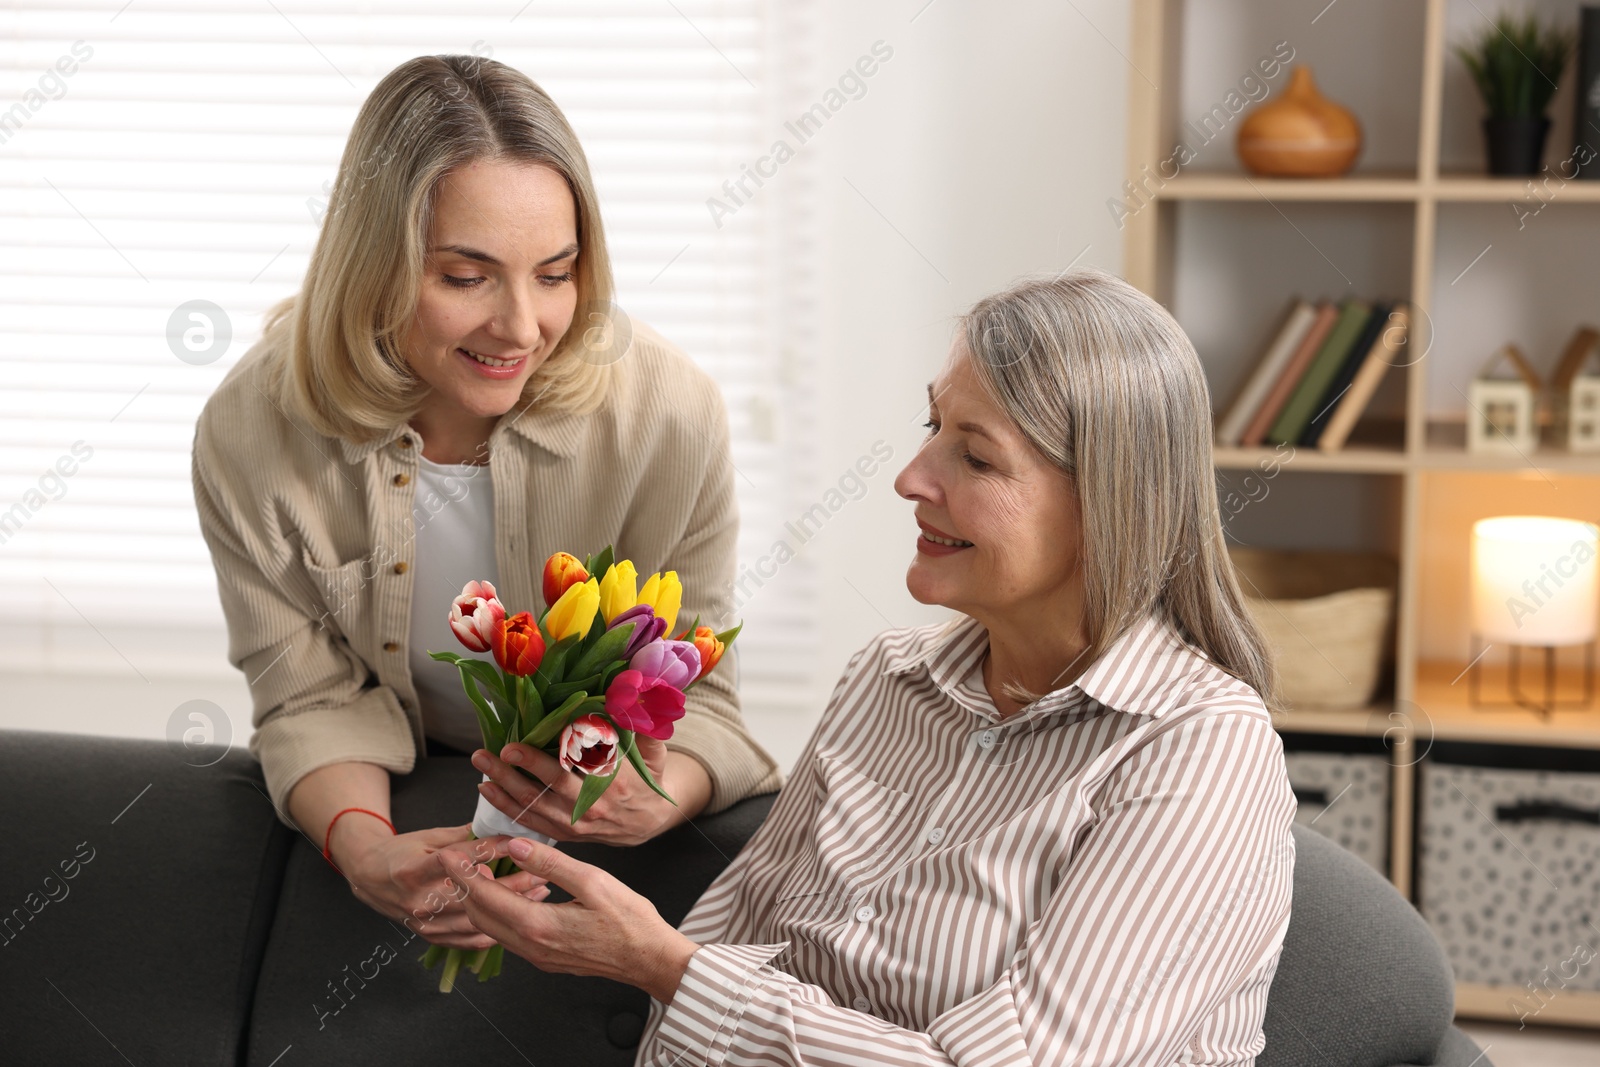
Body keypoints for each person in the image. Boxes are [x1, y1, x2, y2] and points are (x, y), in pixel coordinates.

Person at [442, 268, 1299, 1065]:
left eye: (976, 454)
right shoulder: (884, 681)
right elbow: (740, 936)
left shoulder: (1200, 750)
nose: (911, 477)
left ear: (1105, 499)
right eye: (933, 426)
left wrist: (666, 965)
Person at [191, 54, 781, 955]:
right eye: (466, 277)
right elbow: (306, 695)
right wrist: (365, 851)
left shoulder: (666, 417)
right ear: (370, 269)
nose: (521, 327)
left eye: (555, 273)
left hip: (592, 838)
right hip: (401, 802)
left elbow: (708, 706)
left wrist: (655, 794)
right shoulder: (253, 429)